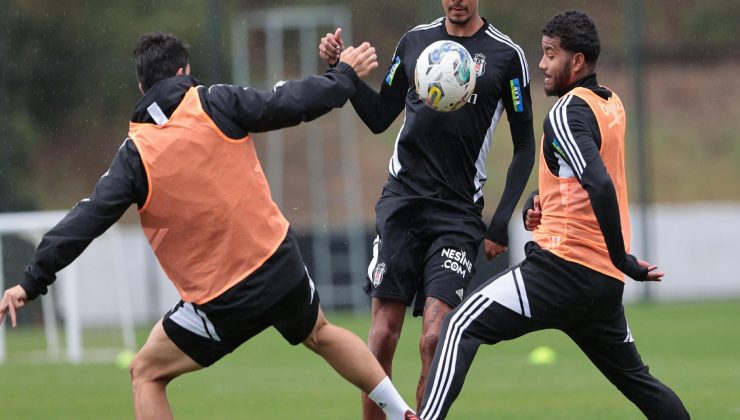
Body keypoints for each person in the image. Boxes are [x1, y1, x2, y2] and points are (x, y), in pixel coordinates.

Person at [0, 32, 421, 420]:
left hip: (220, 301)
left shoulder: (135, 156)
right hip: (277, 263)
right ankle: (401, 410)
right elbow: (291, 102)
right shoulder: (214, 101)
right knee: (322, 334)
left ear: (141, 88)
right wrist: (342, 76)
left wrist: (30, 282)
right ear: (184, 71)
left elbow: (84, 222)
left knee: (146, 372)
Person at [417, 10, 691, 419]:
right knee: (641, 383)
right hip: (601, 284)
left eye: (550, 54)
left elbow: (598, 183)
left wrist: (623, 258)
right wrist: (537, 203)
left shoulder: (565, 112)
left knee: (458, 328)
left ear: (576, 61)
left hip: (562, 270)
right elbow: (576, 176)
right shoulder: (610, 104)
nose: (541, 64)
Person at [319, 0, 535, 417]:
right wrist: (339, 73)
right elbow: (381, 115)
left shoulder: (507, 56)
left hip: (457, 215)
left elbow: (525, 145)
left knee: (434, 338)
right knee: (381, 336)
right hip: (403, 204)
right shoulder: (415, 41)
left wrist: (500, 221)